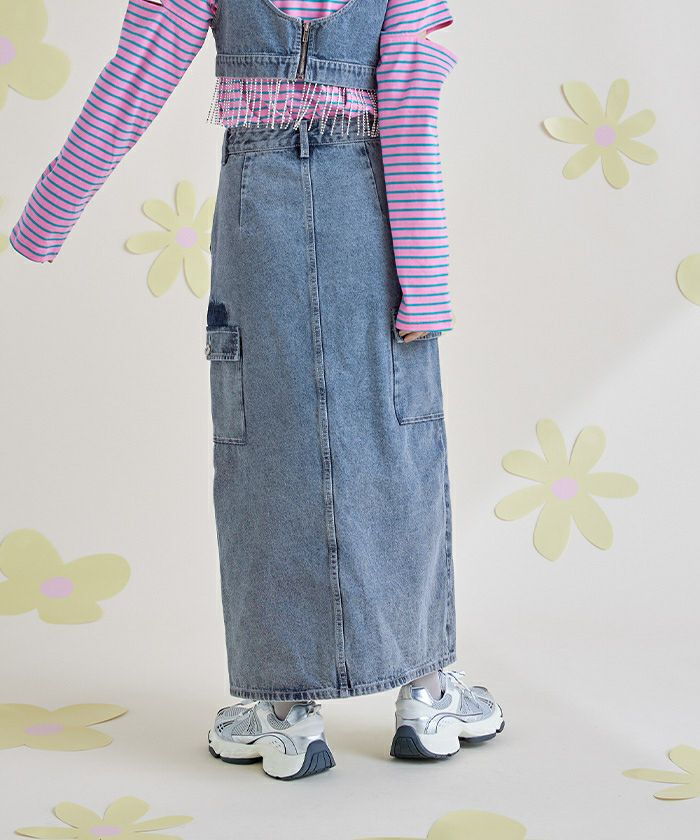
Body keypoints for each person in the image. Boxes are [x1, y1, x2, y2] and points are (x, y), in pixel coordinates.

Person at [11, 0, 505, 780]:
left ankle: (284, 713)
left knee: (266, 443)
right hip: (370, 216)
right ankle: (427, 693)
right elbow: (409, 117)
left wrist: (45, 217)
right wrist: (426, 286)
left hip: (257, 210)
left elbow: (135, 76)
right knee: (397, 436)